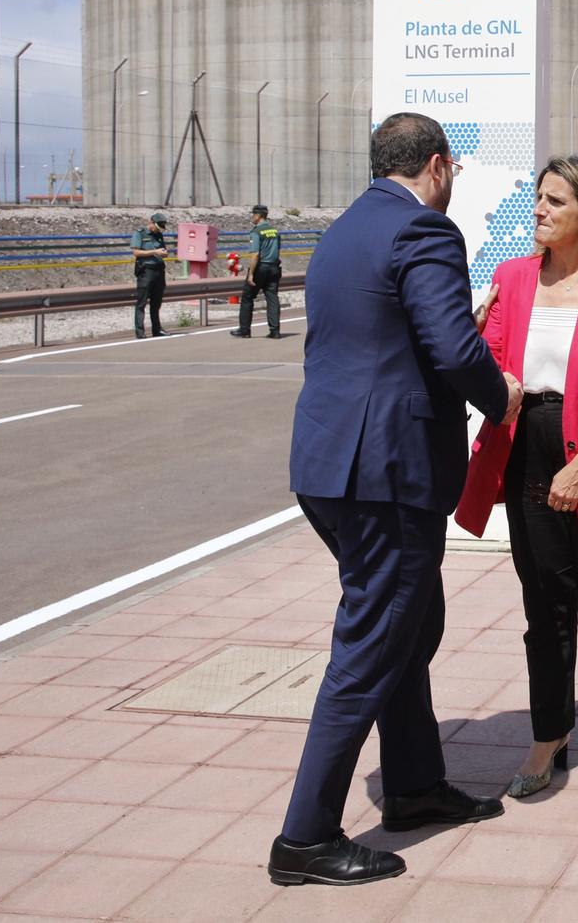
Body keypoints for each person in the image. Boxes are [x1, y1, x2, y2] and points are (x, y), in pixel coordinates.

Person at [271, 112, 520, 887]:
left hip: (330, 463)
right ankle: (304, 836)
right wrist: (499, 393)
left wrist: (457, 332)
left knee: (411, 626)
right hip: (386, 471)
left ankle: (413, 784)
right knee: (375, 640)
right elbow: (449, 349)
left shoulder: (344, 230)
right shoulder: (427, 233)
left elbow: (381, 336)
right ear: (438, 166)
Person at [455, 154, 578, 820]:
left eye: (554, 201)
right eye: (537, 198)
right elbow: (493, 371)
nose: (538, 210)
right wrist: (477, 335)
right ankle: (550, 738)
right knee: (544, 612)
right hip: (527, 453)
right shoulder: (512, 278)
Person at [232, 203, 284, 339]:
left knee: (247, 297)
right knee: (272, 298)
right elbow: (278, 252)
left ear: (259, 216)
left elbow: (255, 254)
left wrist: (251, 274)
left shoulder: (256, 232)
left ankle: (244, 330)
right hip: (274, 267)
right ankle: (275, 331)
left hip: (260, 267)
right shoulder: (274, 231)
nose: (252, 217)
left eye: (253, 214)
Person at [130, 212, 169, 339]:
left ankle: (157, 329)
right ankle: (140, 331)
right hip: (146, 271)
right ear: (151, 222)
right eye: (157, 227)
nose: (158, 230)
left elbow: (162, 249)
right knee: (141, 303)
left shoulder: (159, 235)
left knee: (156, 303)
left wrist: (164, 253)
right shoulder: (140, 234)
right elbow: (136, 252)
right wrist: (154, 252)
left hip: (159, 271)